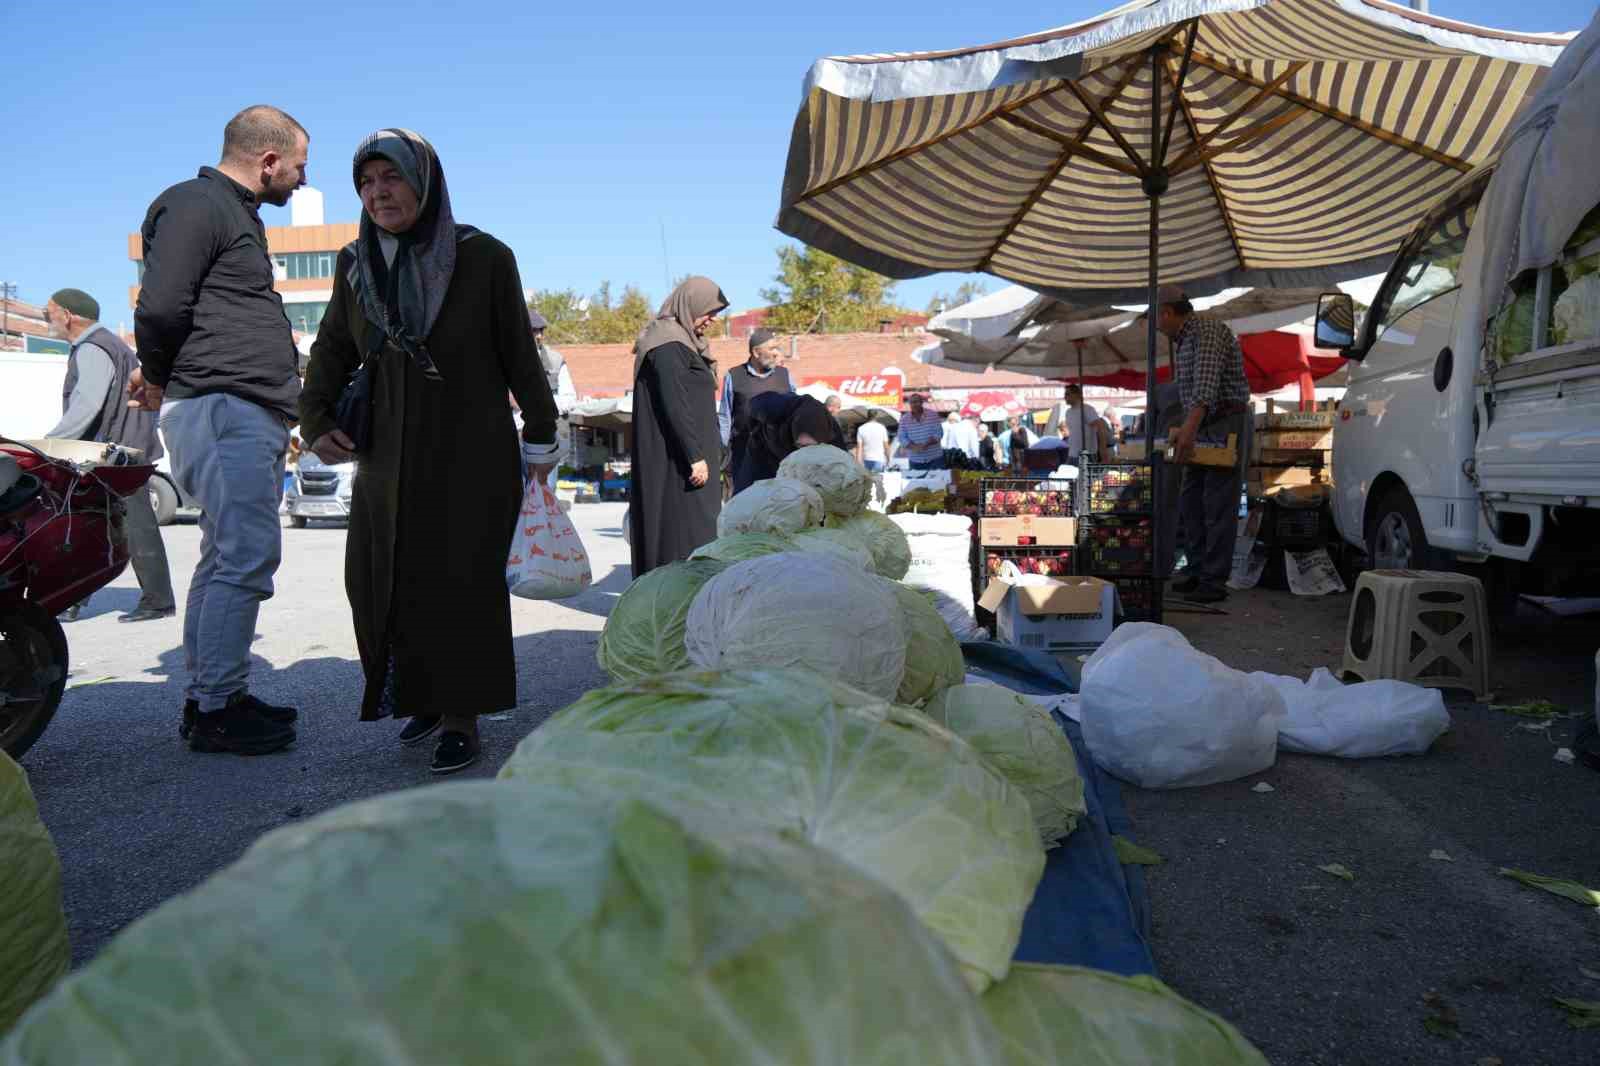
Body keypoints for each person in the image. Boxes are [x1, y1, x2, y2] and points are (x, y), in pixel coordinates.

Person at [299, 128, 561, 775]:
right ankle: (419, 693)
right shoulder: (355, 263)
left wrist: (542, 430)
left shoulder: (484, 257)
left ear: (424, 181)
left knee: (461, 584)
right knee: (384, 580)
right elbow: (332, 348)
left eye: (391, 178)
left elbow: (517, 354)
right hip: (387, 455)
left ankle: (462, 716)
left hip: (469, 452)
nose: (377, 192)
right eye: (366, 182)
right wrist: (315, 418)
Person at [132, 105, 307, 756]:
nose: (300, 179)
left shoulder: (231, 213)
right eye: (298, 165)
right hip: (223, 405)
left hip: (235, 406)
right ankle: (217, 709)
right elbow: (161, 305)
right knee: (243, 558)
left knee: (223, 556)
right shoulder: (200, 204)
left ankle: (212, 695)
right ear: (268, 161)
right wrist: (155, 373)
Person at [44, 288, 175, 625]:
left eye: (49, 313)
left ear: (67, 314)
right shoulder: (108, 345)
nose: (47, 320)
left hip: (115, 454)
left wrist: (50, 444)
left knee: (133, 524)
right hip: (121, 450)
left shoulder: (92, 348)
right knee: (90, 524)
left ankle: (158, 601)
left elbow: (87, 404)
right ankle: (72, 599)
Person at [1154, 284, 1251, 604]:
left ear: (1166, 312)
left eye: (1156, 318)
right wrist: (1182, 428)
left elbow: (1206, 390)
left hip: (1224, 421)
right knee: (1191, 500)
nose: (1156, 325)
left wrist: (1188, 429)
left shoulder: (1206, 330)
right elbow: (1192, 395)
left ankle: (1213, 579)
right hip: (1202, 423)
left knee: (1217, 504)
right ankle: (1196, 570)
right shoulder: (1184, 341)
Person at [630, 277, 727, 577]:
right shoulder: (668, 343)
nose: (712, 319)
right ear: (691, 304)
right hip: (679, 465)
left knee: (697, 533)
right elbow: (674, 401)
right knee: (683, 535)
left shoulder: (682, 342)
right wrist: (694, 455)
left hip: (693, 460)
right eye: (709, 311)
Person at [718, 327, 793, 487]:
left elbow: (796, 413)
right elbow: (725, 418)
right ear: (756, 352)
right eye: (772, 348)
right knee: (746, 505)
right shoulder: (734, 375)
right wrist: (724, 455)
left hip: (781, 459)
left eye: (777, 348)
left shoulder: (785, 375)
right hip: (744, 458)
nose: (776, 353)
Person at [735, 392, 845, 490]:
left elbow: (843, 474)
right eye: (802, 446)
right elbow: (752, 407)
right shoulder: (771, 409)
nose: (806, 451)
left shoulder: (832, 435)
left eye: (812, 447)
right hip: (764, 456)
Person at [529, 310, 577, 493]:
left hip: (546, 441)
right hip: (513, 438)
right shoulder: (502, 356)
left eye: (541, 330)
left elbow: (569, 399)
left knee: (546, 493)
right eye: (534, 330)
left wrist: (541, 404)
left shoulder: (556, 360)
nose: (539, 335)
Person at [1044, 385, 1101, 463]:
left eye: (1067, 394)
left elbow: (1101, 428)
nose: (1065, 397)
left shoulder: (1087, 409)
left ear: (1076, 395)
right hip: (1072, 454)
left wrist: (1103, 451)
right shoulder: (1068, 412)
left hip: (1086, 454)